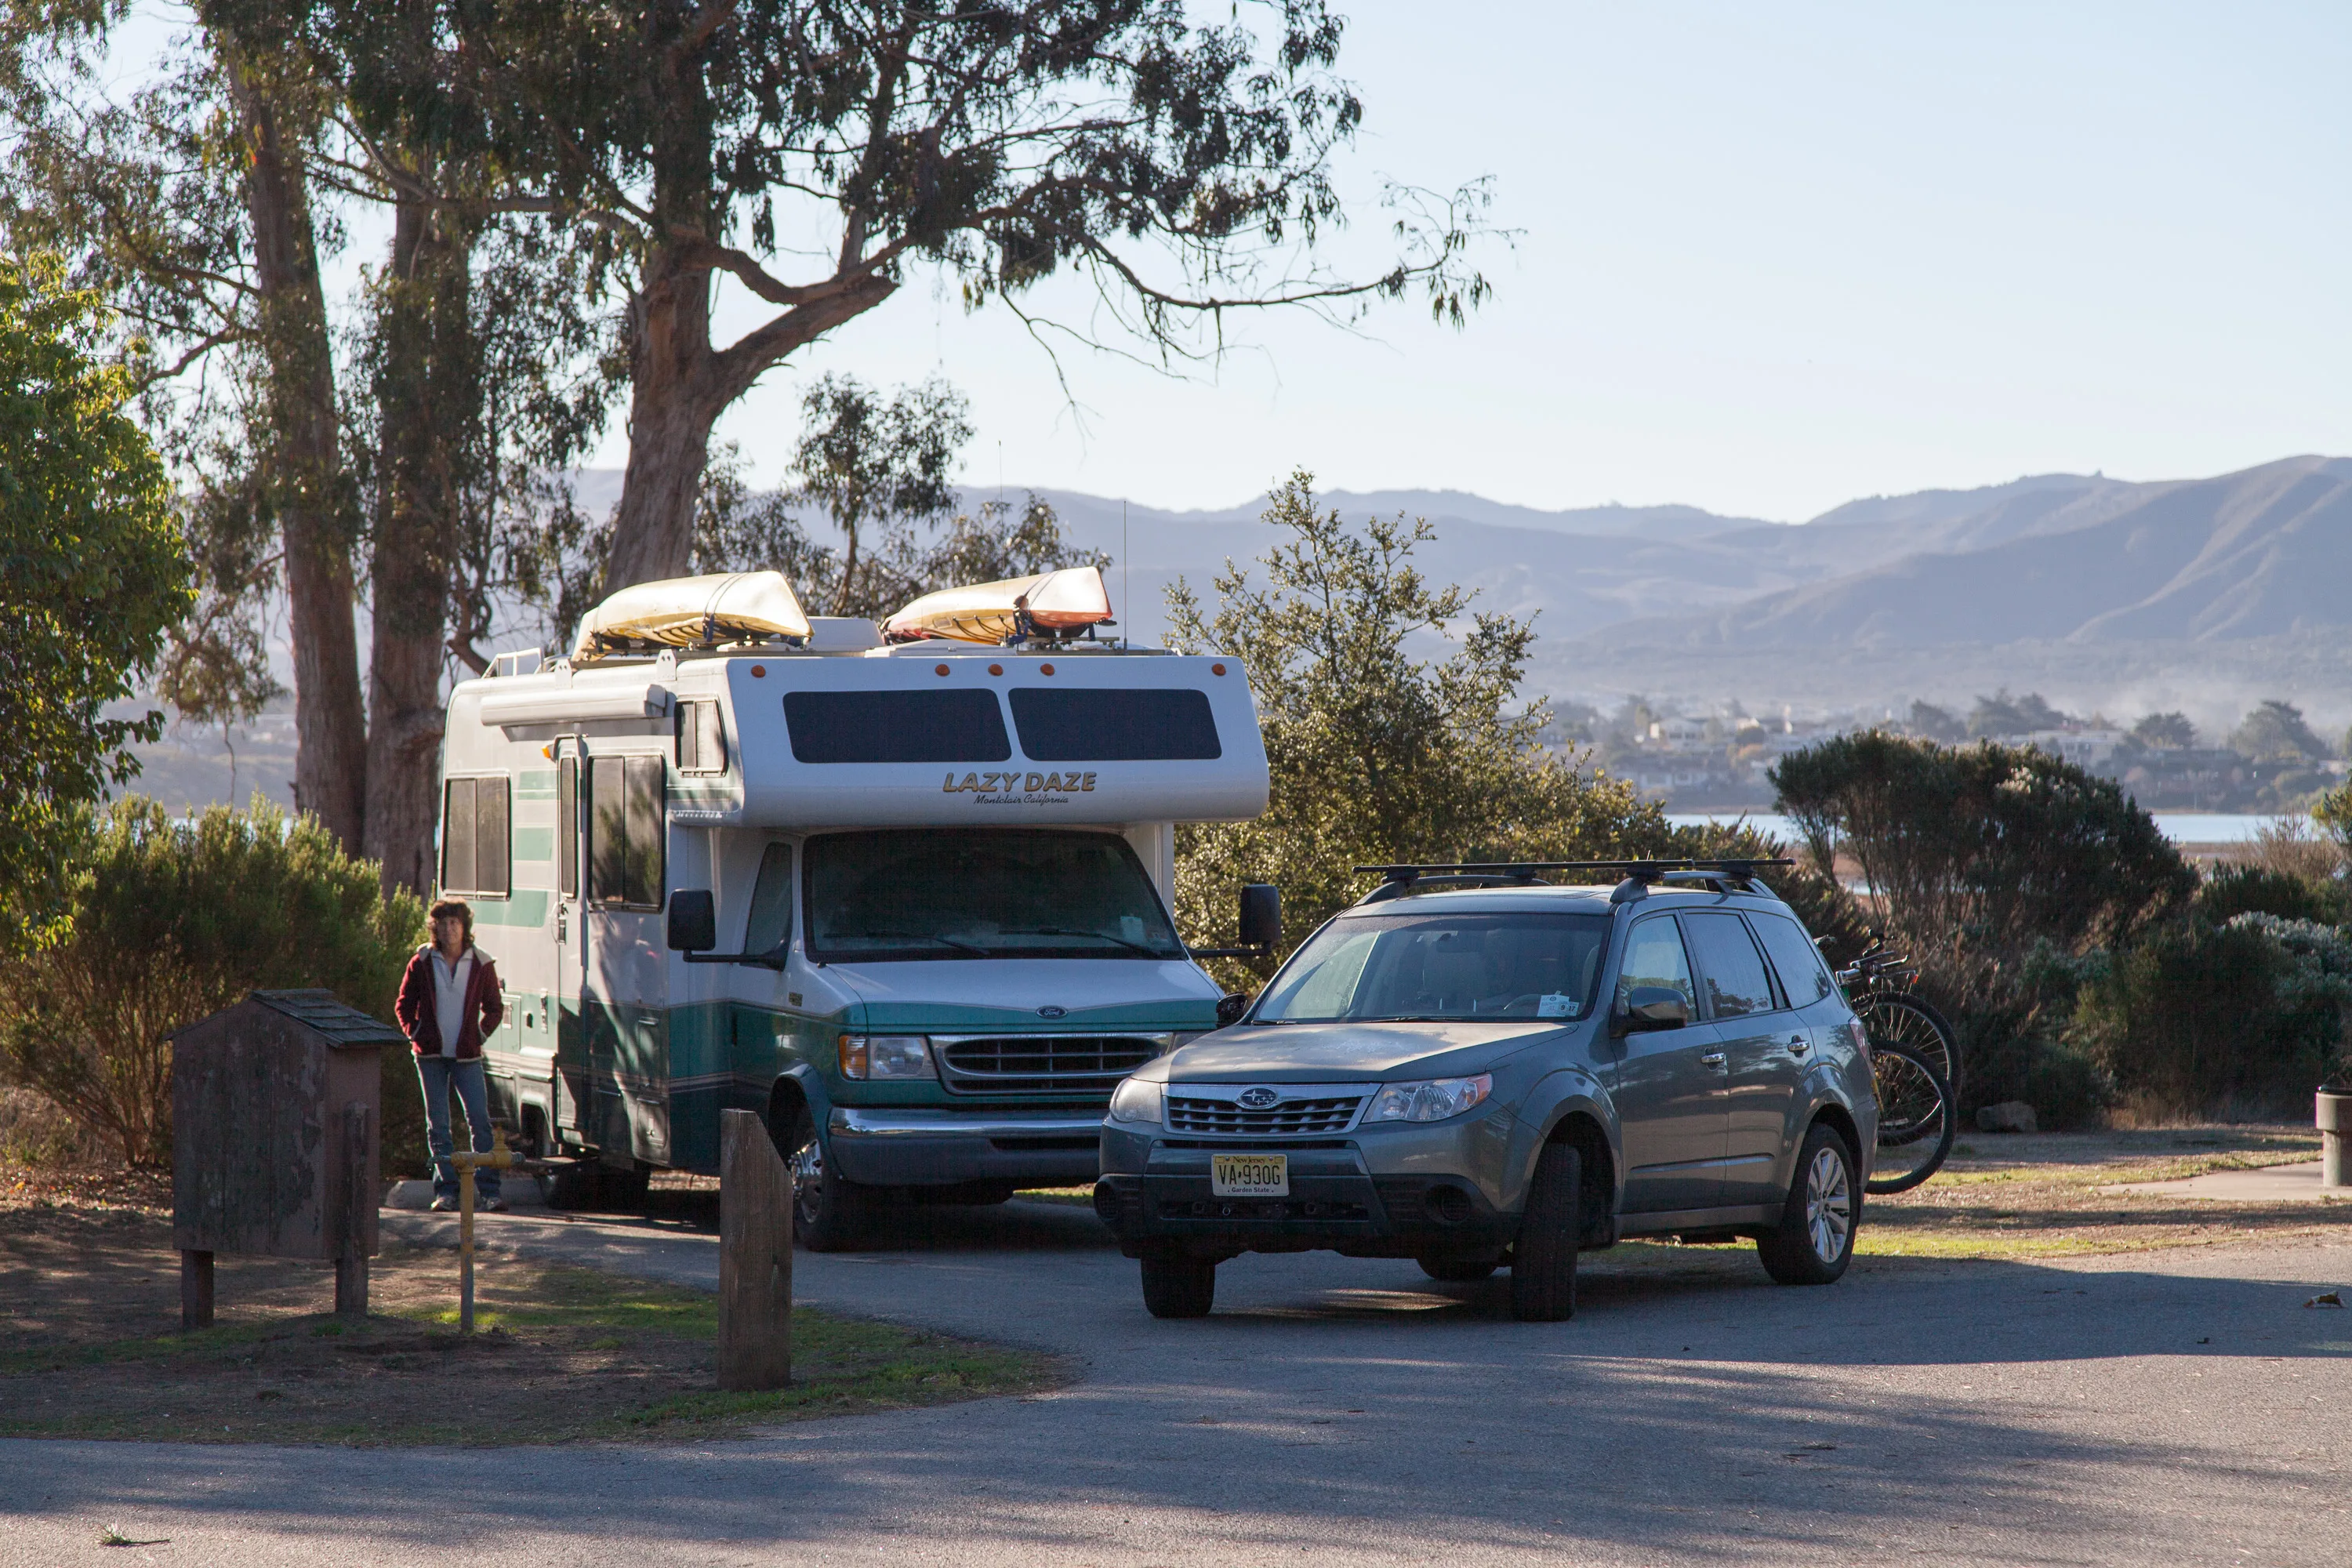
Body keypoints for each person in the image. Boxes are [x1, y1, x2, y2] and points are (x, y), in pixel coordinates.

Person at [394, 898, 508, 1213]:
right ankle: (446, 1192)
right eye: (443, 924)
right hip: (429, 1056)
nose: (449, 929)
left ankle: (489, 1192)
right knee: (438, 1125)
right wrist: (416, 1033)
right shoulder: (422, 961)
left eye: (455, 923)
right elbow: (403, 1004)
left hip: (467, 1058)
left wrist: (480, 1035)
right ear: (435, 929)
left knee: (479, 1122)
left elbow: (495, 1009)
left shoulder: (482, 963)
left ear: (465, 927)